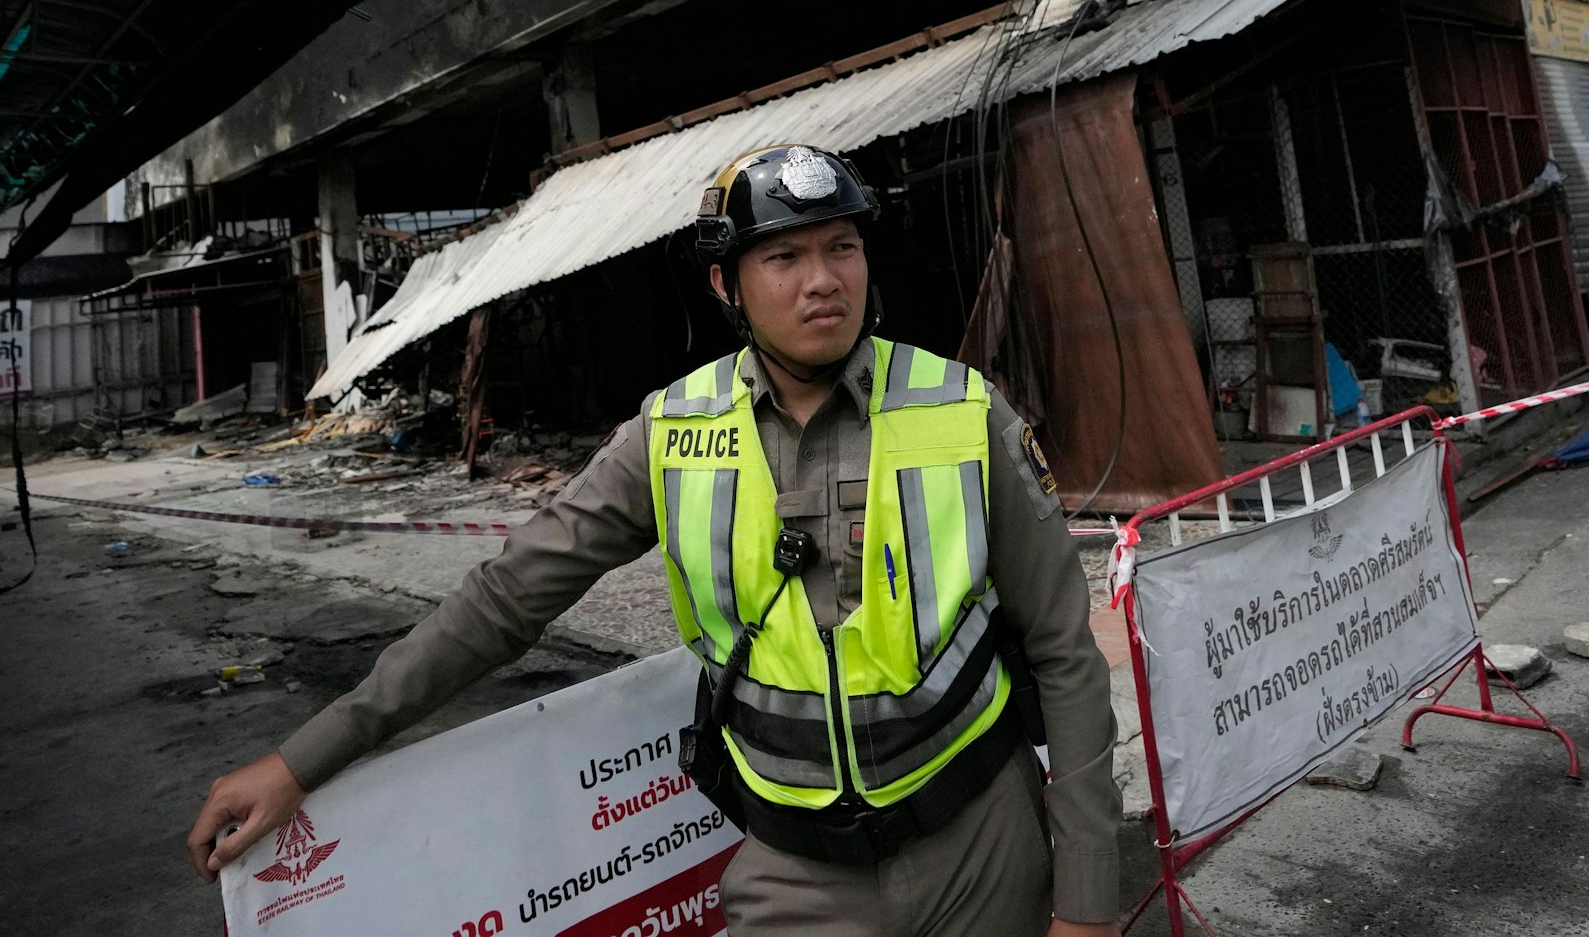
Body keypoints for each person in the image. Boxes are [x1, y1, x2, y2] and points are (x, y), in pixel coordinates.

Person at [188, 144, 1122, 936]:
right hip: (797, 875)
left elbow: (1062, 652)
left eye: (842, 247)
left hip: (985, 840)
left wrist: (1084, 892)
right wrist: (303, 756)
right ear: (727, 284)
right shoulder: (671, 436)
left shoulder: (963, 409)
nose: (824, 279)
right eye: (784, 257)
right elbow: (506, 601)